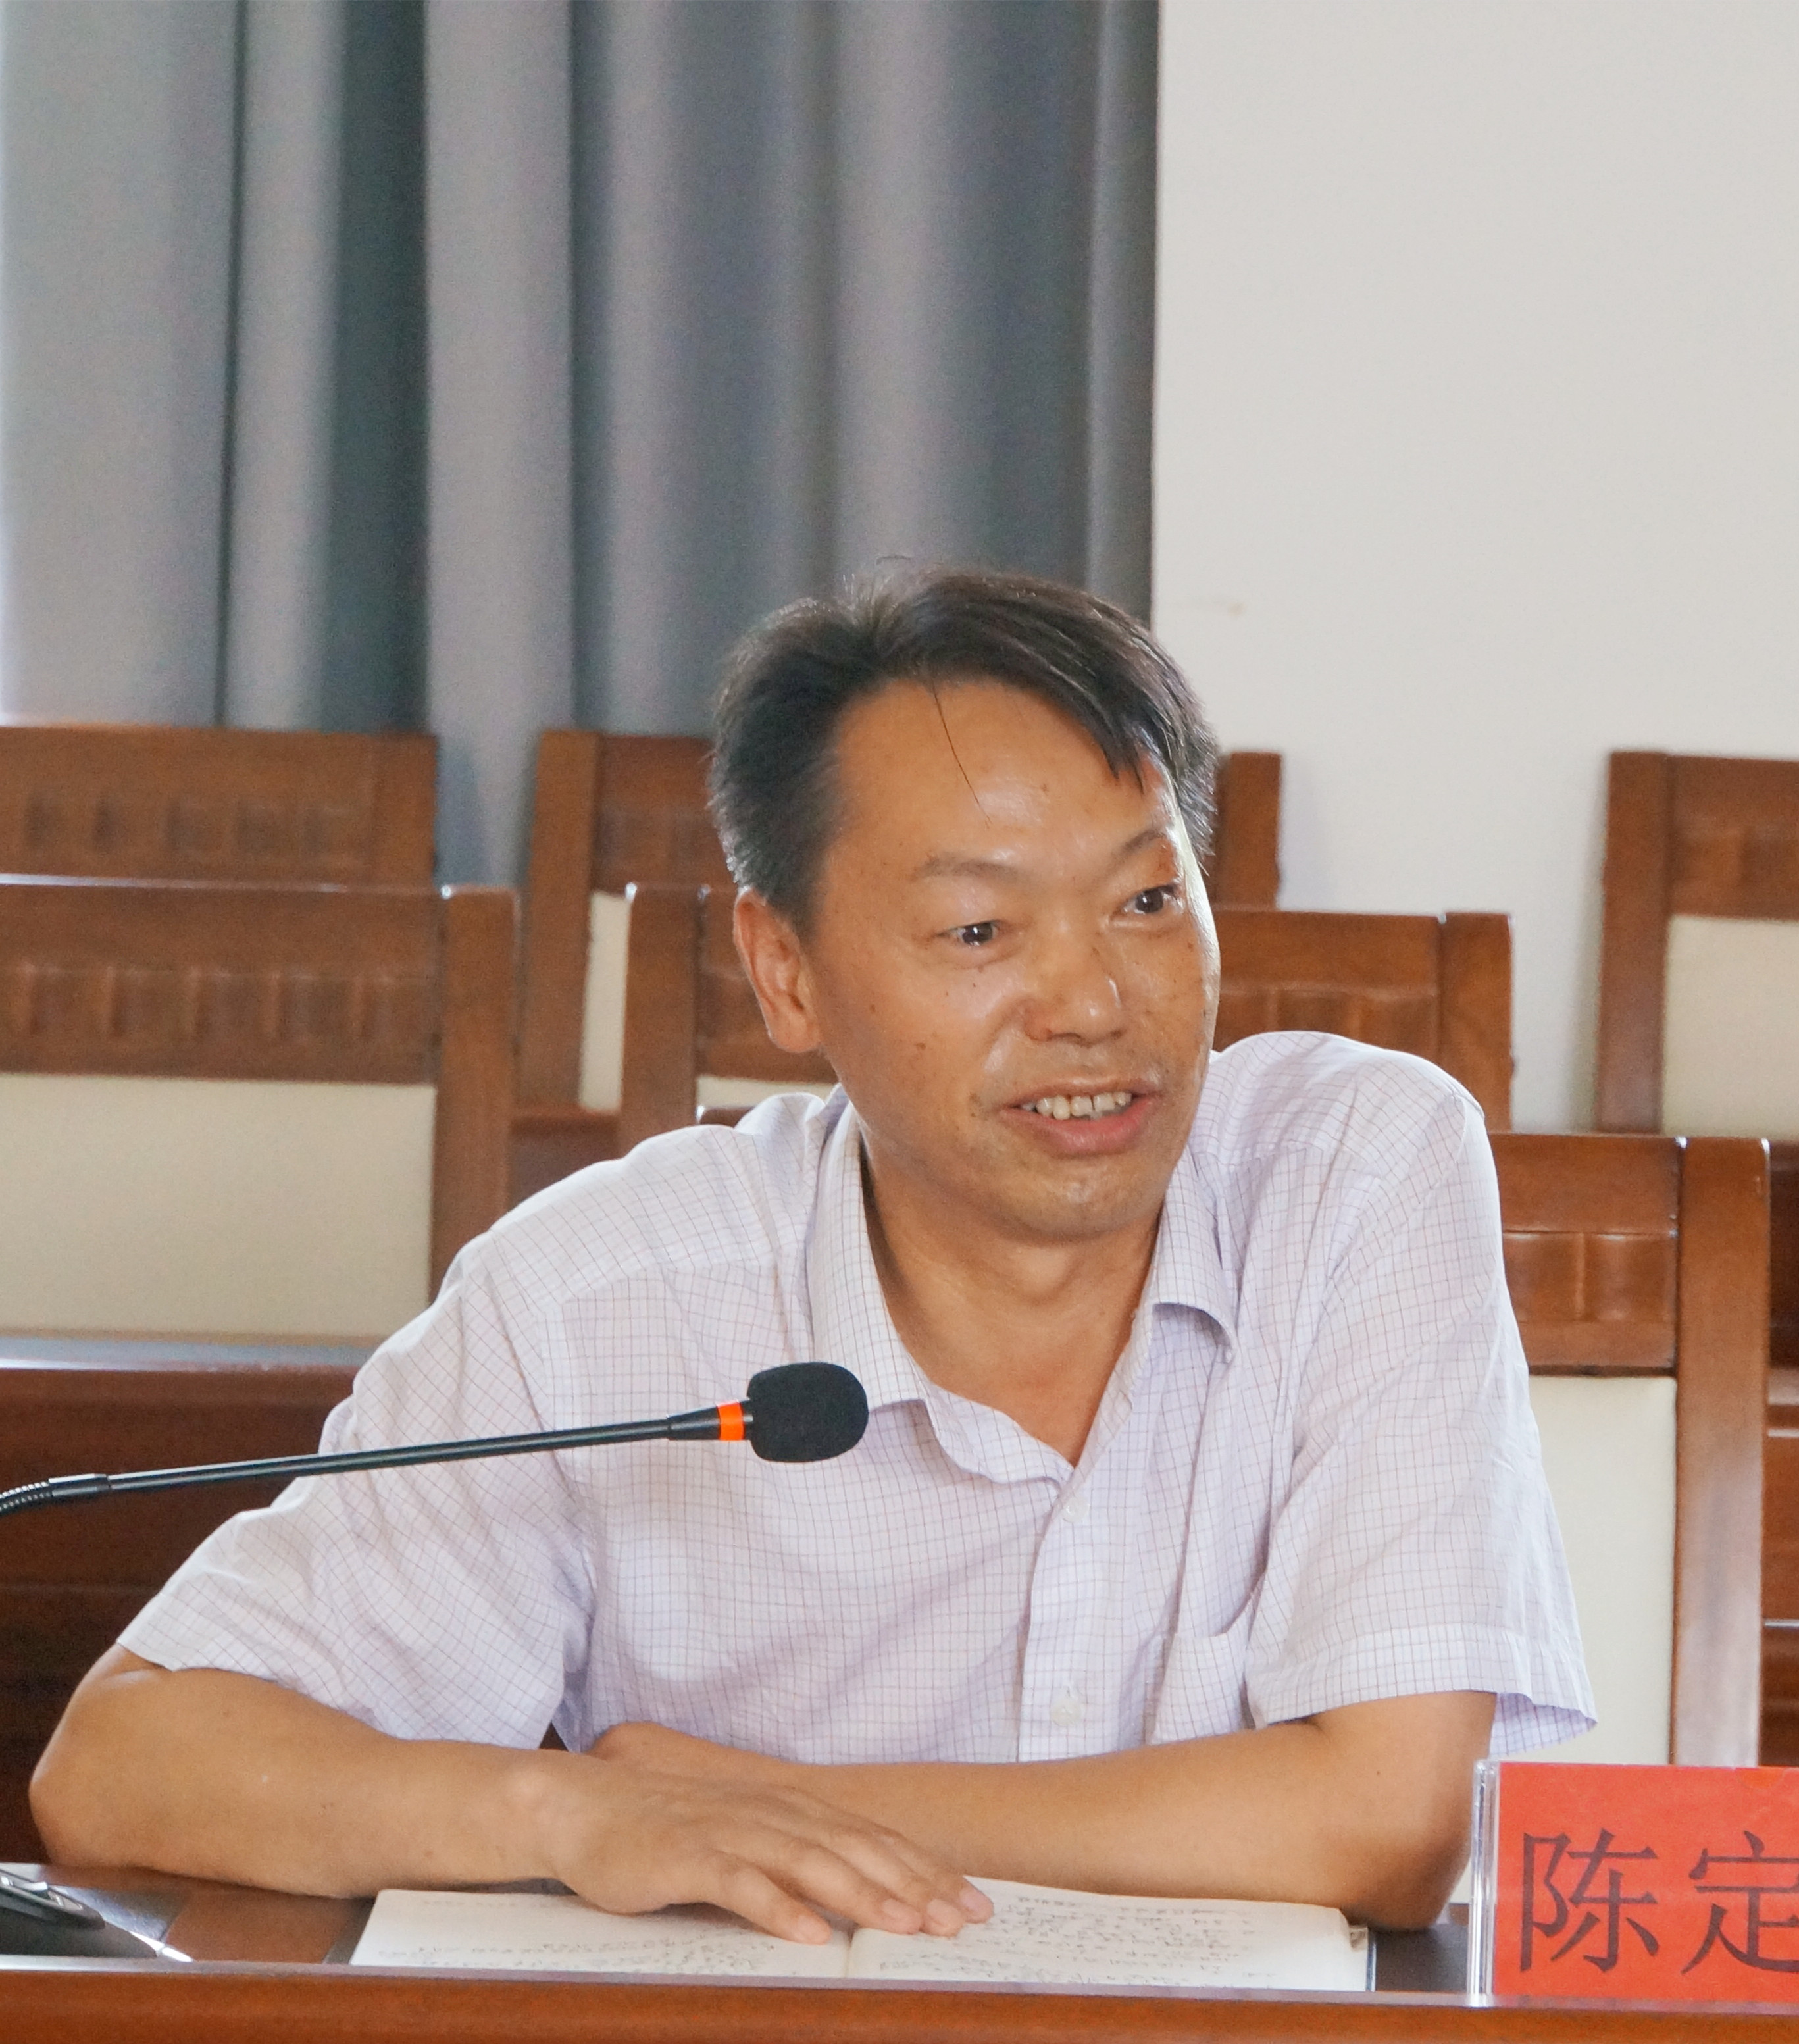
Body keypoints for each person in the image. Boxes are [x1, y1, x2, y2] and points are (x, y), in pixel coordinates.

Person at [34, 569, 1589, 1944]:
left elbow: (1386, 1823)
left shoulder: (1350, 1170)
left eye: (1147, 900)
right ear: (784, 970)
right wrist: (577, 1817)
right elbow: (121, 1767)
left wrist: (767, 1805)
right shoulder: (599, 1301)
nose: (1093, 1004)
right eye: (979, 933)